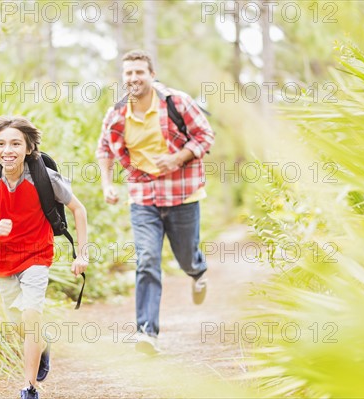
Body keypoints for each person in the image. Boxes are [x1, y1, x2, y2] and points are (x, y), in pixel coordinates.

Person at [96, 50, 215, 355]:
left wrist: (176, 158)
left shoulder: (176, 102)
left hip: (182, 194)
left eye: (139, 72)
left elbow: (205, 136)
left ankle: (197, 270)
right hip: (143, 197)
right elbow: (104, 150)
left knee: (186, 256)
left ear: (151, 74)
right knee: (147, 259)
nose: (134, 78)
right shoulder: (117, 113)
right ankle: (147, 333)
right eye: (128, 73)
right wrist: (107, 185)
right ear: (123, 78)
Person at [0, 116, 88, 399]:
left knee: (31, 317)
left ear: (29, 148)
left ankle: (29, 387)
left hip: (36, 255)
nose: (8, 150)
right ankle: (42, 345)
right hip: (1, 259)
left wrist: (82, 254)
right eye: (1, 144)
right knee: (18, 324)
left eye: (15, 143)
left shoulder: (46, 178)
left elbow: (78, 209)